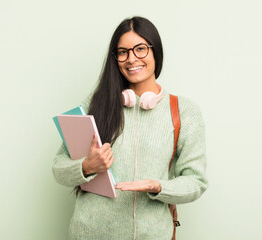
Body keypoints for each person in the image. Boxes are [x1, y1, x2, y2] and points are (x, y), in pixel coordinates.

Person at [52, 16, 208, 240]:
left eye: (140, 49)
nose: (131, 58)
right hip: (89, 233)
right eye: (123, 52)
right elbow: (58, 168)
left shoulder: (184, 111)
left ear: (156, 52)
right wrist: (87, 166)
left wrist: (159, 186)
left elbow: (196, 181)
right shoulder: (95, 103)